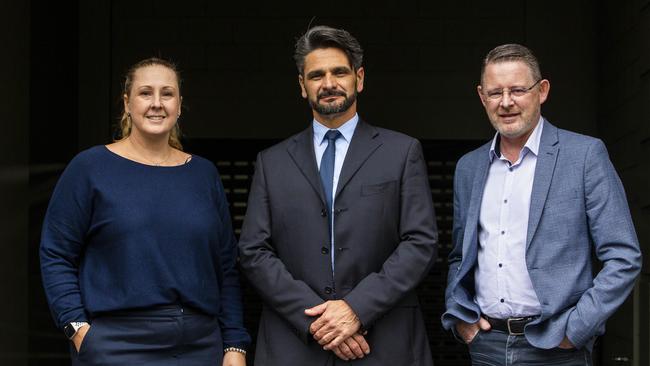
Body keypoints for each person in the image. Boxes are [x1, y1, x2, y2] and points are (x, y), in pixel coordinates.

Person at [237, 25, 438, 365]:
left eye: (339, 72)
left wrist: (357, 308)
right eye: (316, 75)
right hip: (294, 344)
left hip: (384, 341)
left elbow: (421, 243)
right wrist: (318, 321)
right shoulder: (272, 162)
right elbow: (253, 251)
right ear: (302, 86)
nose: (328, 83)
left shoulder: (402, 152)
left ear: (359, 78)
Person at [40, 57, 250, 366]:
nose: (156, 103)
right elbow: (56, 253)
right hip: (115, 347)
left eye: (167, 93)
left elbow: (226, 266)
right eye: (145, 93)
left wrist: (234, 344)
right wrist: (77, 328)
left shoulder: (203, 175)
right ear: (126, 103)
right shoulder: (90, 168)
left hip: (199, 346)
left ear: (179, 105)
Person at [441, 43, 642, 365]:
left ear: (542, 91)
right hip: (486, 344)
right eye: (495, 93)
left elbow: (624, 256)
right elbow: (460, 256)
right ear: (482, 97)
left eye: (518, 90)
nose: (506, 102)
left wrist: (575, 330)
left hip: (557, 348)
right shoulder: (469, 167)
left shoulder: (585, 155)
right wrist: (461, 316)